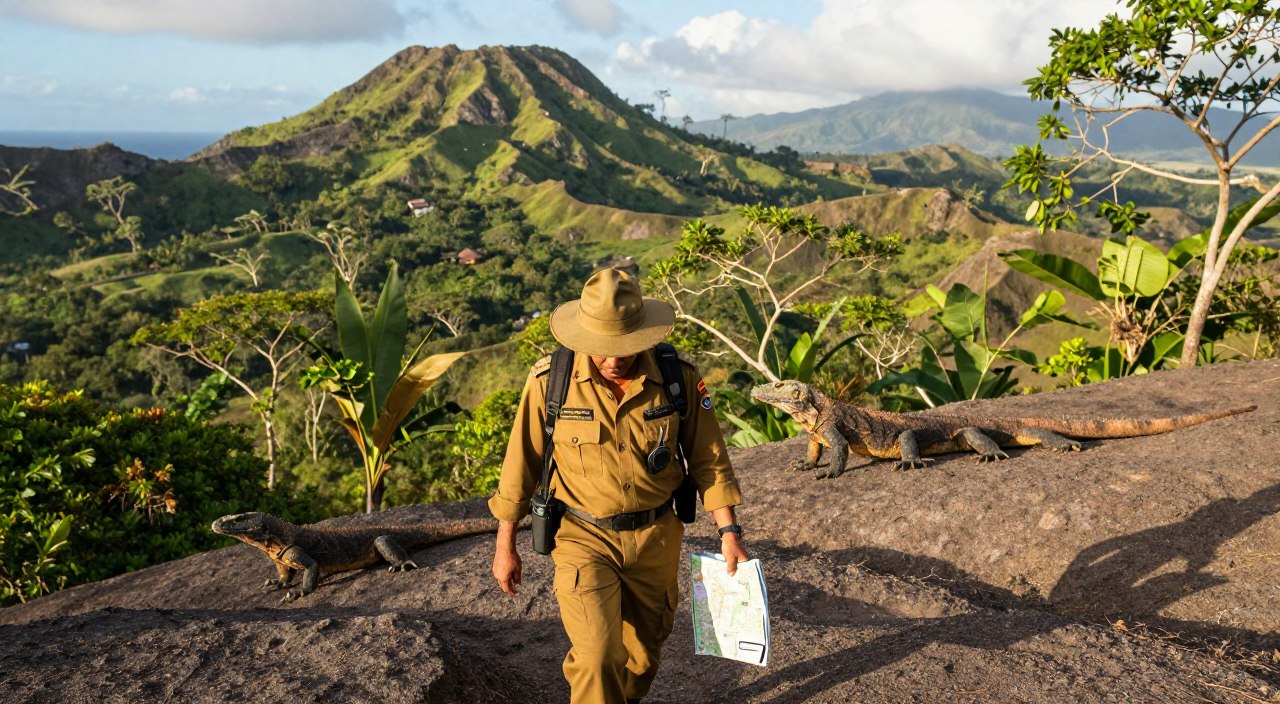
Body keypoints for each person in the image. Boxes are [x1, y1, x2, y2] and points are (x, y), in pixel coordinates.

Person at [489, 268, 748, 704]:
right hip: (582, 536)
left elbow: (709, 459)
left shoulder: (676, 378)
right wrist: (505, 546)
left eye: (623, 346)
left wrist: (729, 532)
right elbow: (521, 465)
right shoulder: (549, 382)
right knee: (596, 656)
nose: (613, 359)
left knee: (642, 657)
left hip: (656, 538)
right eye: (601, 348)